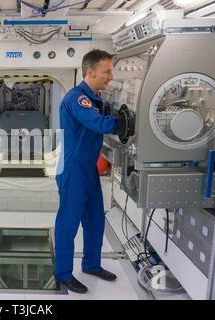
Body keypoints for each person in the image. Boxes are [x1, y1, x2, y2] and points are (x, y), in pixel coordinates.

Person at [54, 49, 123, 293]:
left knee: (95, 222)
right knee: (68, 225)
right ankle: (62, 273)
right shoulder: (77, 98)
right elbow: (98, 123)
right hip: (73, 170)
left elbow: (99, 119)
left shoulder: (96, 99)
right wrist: (125, 122)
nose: (111, 77)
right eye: (107, 72)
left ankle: (92, 265)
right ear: (90, 72)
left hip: (88, 170)